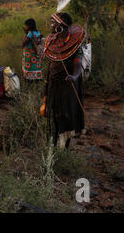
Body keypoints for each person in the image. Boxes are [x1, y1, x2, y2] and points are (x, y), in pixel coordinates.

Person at [43, 12, 85, 148]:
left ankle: (64, 146)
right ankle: (52, 144)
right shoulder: (52, 41)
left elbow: (78, 65)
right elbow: (50, 62)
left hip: (67, 85)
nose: (50, 25)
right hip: (53, 83)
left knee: (66, 114)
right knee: (53, 114)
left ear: (61, 26)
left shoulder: (74, 44)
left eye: (53, 23)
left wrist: (74, 76)